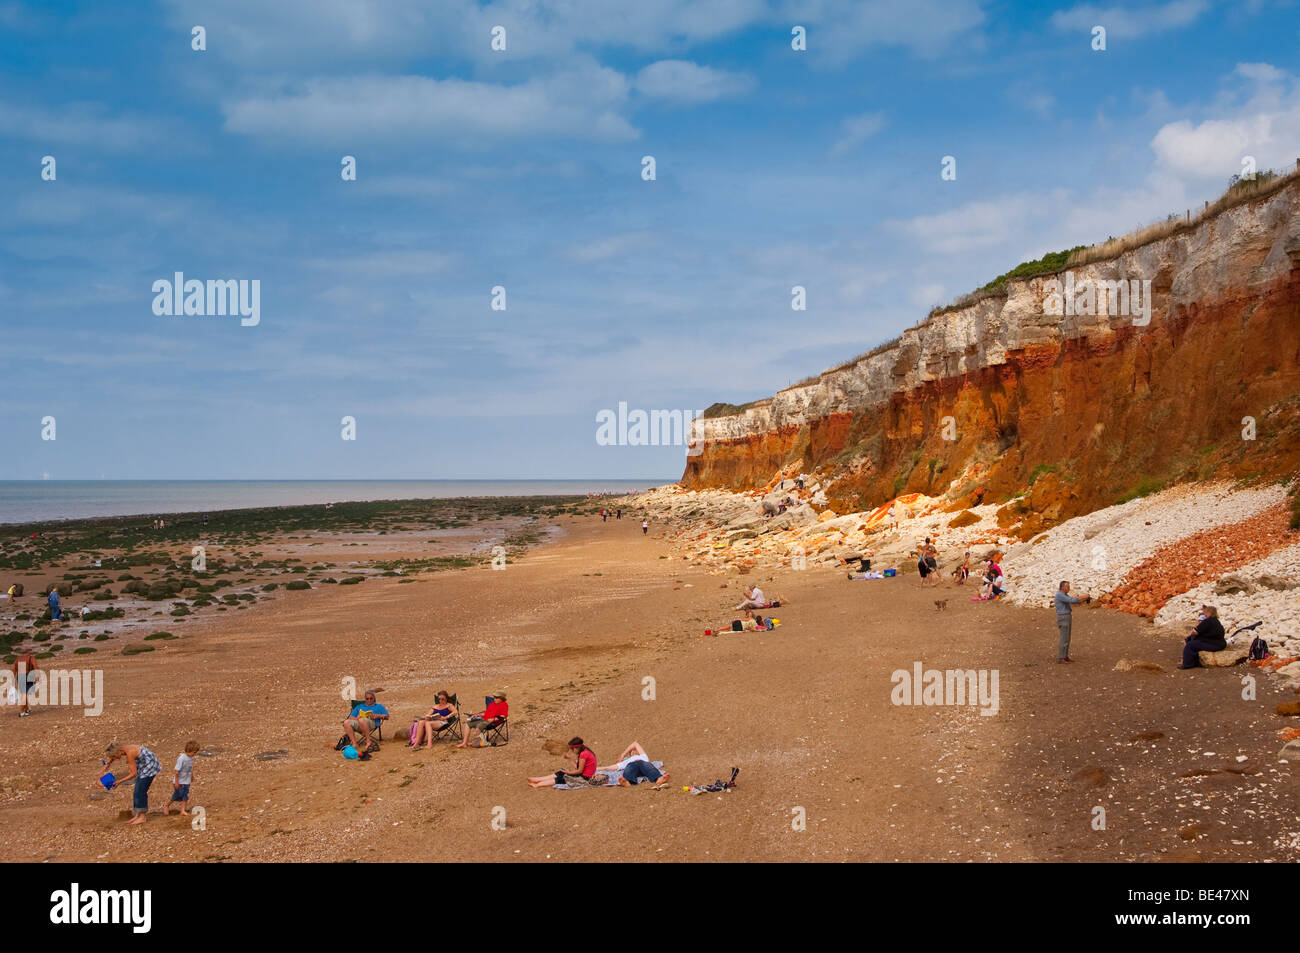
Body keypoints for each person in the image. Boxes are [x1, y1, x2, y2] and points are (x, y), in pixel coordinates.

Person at [104, 742, 162, 825]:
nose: (115, 758)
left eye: (114, 756)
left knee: (140, 791)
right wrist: (109, 764)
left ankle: (142, 817)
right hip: (143, 763)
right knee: (137, 791)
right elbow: (114, 753)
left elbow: (133, 774)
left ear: (118, 752)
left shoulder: (130, 753)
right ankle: (138, 814)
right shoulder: (122, 748)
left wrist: (119, 782)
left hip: (150, 765)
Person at [527, 737, 604, 788]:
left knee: (562, 778)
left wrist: (569, 772)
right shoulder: (585, 752)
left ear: (577, 748)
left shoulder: (584, 755)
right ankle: (538, 780)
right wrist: (570, 759)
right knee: (561, 772)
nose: (572, 751)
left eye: (572, 749)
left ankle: (538, 784)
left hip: (585, 778)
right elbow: (578, 768)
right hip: (585, 775)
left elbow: (579, 771)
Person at [603, 741, 670, 787]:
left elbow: (635, 743)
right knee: (629, 769)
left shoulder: (643, 756)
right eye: (632, 751)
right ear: (630, 754)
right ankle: (628, 782)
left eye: (636, 750)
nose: (634, 750)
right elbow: (610, 767)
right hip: (632, 765)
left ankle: (658, 779)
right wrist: (596, 768)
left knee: (649, 767)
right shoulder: (627, 761)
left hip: (642, 763)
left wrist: (622, 755)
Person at [1054, 580, 1091, 663]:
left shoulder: (1063, 595)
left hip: (1066, 616)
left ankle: (1065, 656)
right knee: (1064, 637)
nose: (1069, 588)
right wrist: (1085, 597)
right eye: (1068, 587)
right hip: (1063, 617)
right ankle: (1061, 657)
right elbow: (1073, 601)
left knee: (1067, 637)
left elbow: (1073, 601)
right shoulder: (1060, 595)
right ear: (1063, 587)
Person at [1180, 605, 1227, 670]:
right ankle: (1193, 661)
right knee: (1195, 643)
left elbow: (1195, 632)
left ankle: (1187, 664)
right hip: (1220, 643)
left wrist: (1190, 636)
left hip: (1214, 644)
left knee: (1190, 645)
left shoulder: (1207, 621)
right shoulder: (1216, 621)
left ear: (1208, 612)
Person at [163, 740, 200, 816]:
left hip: (186, 780)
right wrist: (176, 781)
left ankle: (182, 810)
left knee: (185, 795)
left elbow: (190, 768)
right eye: (194, 752)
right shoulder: (182, 758)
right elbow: (176, 771)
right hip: (180, 781)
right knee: (177, 795)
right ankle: (166, 805)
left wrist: (191, 776)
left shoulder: (191, 758)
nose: (194, 754)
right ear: (189, 751)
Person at [11, 651, 38, 717]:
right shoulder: (31, 658)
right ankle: (21, 711)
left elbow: (14, 669)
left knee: (24, 693)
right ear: (28, 652)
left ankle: (26, 709)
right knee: (25, 693)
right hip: (28, 675)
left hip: (20, 676)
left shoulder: (18, 659)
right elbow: (35, 667)